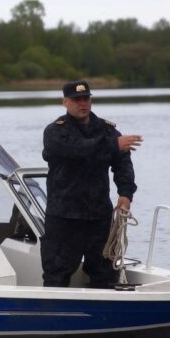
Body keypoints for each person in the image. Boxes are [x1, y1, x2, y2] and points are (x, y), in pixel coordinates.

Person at [41, 79, 142, 287]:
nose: (82, 103)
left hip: (98, 217)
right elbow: (76, 149)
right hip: (64, 218)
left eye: (86, 98)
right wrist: (113, 145)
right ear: (65, 102)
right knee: (56, 274)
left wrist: (125, 194)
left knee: (105, 274)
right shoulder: (55, 132)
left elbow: (123, 163)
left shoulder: (107, 130)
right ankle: (55, 315)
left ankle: (107, 315)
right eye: (76, 99)